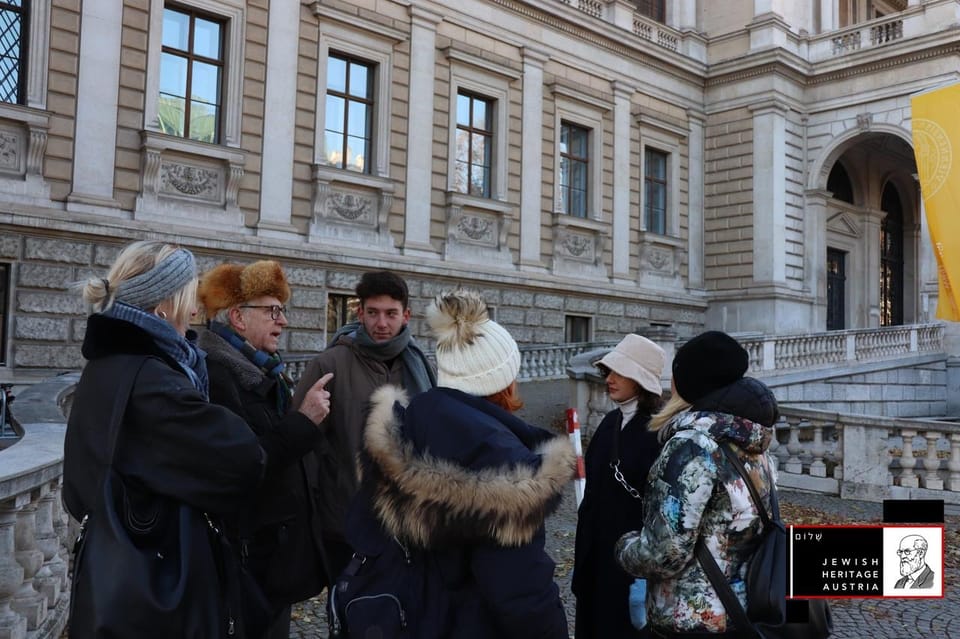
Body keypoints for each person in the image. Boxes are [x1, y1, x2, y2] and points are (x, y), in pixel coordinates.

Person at [63, 241, 268, 637]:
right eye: (188, 296)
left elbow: (77, 487)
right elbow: (245, 458)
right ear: (163, 306)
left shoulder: (105, 365)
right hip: (158, 588)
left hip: (112, 579)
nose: (194, 311)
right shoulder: (153, 379)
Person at [345, 289, 572, 637]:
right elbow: (521, 595)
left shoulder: (399, 431)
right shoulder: (507, 465)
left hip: (402, 620)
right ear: (505, 381)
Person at [196, 260, 334, 638]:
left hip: (270, 557)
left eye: (282, 311)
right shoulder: (218, 376)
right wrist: (304, 419)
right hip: (245, 559)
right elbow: (245, 464)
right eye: (273, 311)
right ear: (238, 317)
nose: (283, 321)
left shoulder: (262, 369)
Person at [615, 330, 780, 639]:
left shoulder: (691, 446)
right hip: (740, 614)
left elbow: (664, 554)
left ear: (689, 383)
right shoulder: (756, 444)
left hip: (689, 621)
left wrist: (624, 546)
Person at [291, 269, 436, 584]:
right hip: (345, 526)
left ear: (406, 315)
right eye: (372, 313)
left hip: (404, 523)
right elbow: (303, 444)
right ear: (360, 313)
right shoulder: (329, 365)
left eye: (390, 314)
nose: (381, 323)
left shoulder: (421, 368)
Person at [572, 334, 665, 639]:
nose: (609, 379)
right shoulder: (610, 421)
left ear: (640, 380)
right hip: (596, 560)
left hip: (630, 568)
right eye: (608, 371)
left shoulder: (658, 431)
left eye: (619, 372)